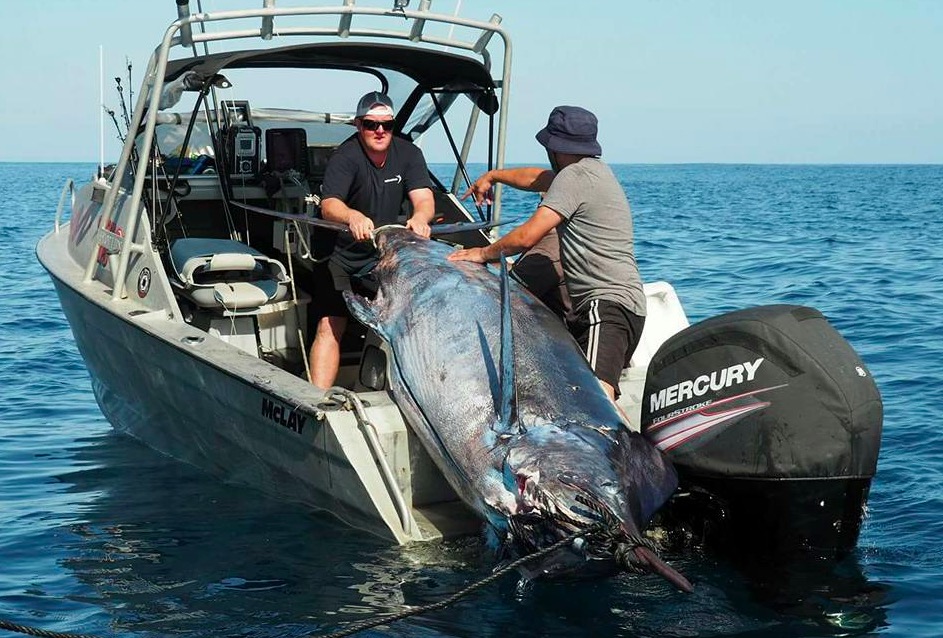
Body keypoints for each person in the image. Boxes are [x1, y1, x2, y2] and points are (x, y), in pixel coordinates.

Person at [448, 105, 646, 401]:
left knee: (595, 401)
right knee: (587, 400)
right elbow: (536, 178)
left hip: (605, 307)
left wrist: (482, 254)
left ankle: (631, 449)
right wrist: (494, 175)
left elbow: (528, 235)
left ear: (554, 147)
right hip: (627, 307)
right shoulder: (592, 173)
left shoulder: (573, 178)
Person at [308, 91, 435, 390]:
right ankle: (316, 399)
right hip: (340, 254)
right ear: (358, 125)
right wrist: (351, 216)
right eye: (370, 124)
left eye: (386, 125)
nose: (379, 131)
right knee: (330, 323)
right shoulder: (345, 156)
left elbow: (424, 197)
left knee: (405, 324)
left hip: (385, 256)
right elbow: (329, 204)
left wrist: (420, 217)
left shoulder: (410, 154)